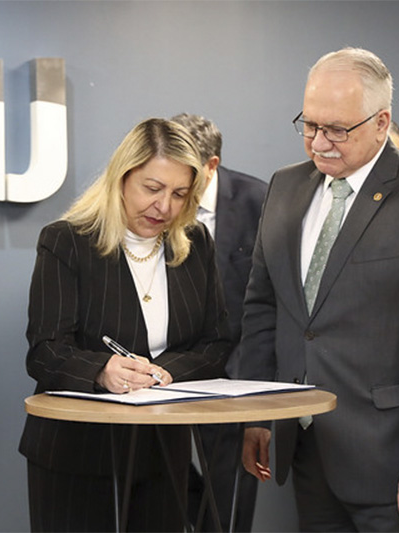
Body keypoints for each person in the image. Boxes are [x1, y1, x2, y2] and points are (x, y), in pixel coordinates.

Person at [239, 47, 399, 531]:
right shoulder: (284, 187)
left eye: (337, 129)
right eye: (308, 125)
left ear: (380, 121)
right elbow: (263, 309)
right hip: (306, 451)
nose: (319, 142)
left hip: (397, 462)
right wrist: (256, 413)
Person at [18, 118, 232, 532]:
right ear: (121, 178)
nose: (164, 207)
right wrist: (102, 371)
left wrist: (168, 371)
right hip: (75, 454)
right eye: (152, 189)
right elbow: (44, 351)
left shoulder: (196, 242)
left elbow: (217, 343)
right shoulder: (67, 241)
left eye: (179, 194)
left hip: (162, 454)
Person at [171, 113, 266, 532]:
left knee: (229, 501)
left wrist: (247, 378)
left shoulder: (258, 201)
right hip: (165, 371)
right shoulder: (155, 201)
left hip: (233, 376)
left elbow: (269, 300)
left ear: (211, 165)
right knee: (160, 479)